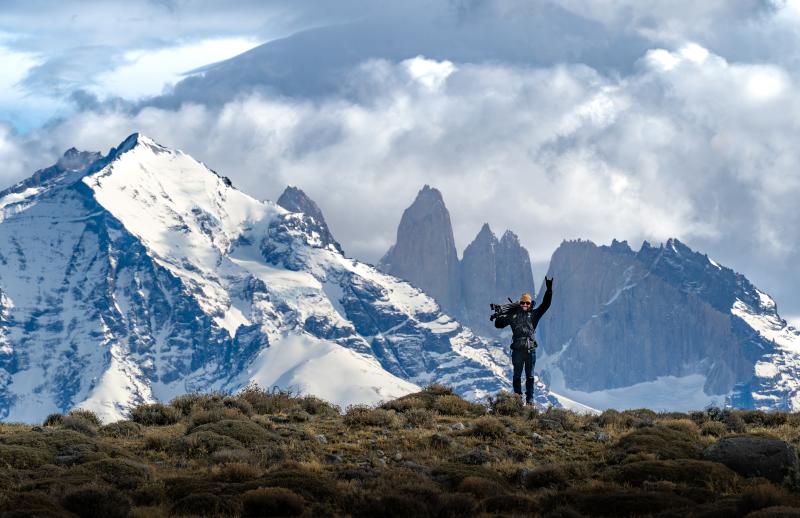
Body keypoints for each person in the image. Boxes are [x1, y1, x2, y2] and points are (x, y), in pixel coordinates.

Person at [493, 277, 553, 405]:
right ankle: (517, 399)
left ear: (530, 304)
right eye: (522, 303)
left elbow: (545, 305)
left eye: (527, 303)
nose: (525, 305)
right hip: (517, 351)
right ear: (519, 303)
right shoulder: (512, 315)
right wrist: (499, 316)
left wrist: (549, 290)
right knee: (517, 376)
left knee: (530, 377)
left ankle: (530, 400)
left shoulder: (535, 315)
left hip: (530, 350)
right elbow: (498, 325)